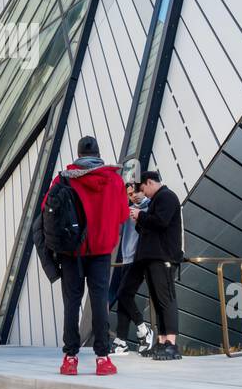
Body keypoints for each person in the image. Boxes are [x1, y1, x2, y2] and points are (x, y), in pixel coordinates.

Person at [41, 135, 128, 376]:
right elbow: (122, 216)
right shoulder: (113, 180)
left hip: (72, 251)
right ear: (98, 154)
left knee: (71, 302)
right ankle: (102, 359)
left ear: (78, 155)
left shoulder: (63, 179)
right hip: (101, 251)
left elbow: (46, 212)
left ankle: (70, 358)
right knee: (100, 300)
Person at [129, 170, 183, 361]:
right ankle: (161, 341)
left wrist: (141, 216)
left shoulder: (166, 197)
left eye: (143, 188)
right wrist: (140, 219)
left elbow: (161, 222)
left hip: (164, 257)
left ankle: (171, 343)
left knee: (166, 299)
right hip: (153, 257)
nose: (143, 193)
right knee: (158, 301)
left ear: (150, 182)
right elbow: (152, 226)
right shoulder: (156, 200)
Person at [109, 183, 156, 356]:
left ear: (143, 189)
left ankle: (144, 330)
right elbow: (118, 230)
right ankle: (121, 341)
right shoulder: (127, 210)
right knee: (123, 297)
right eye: (129, 194)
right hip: (127, 259)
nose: (133, 196)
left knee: (123, 294)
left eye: (135, 191)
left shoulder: (152, 206)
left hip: (140, 258)